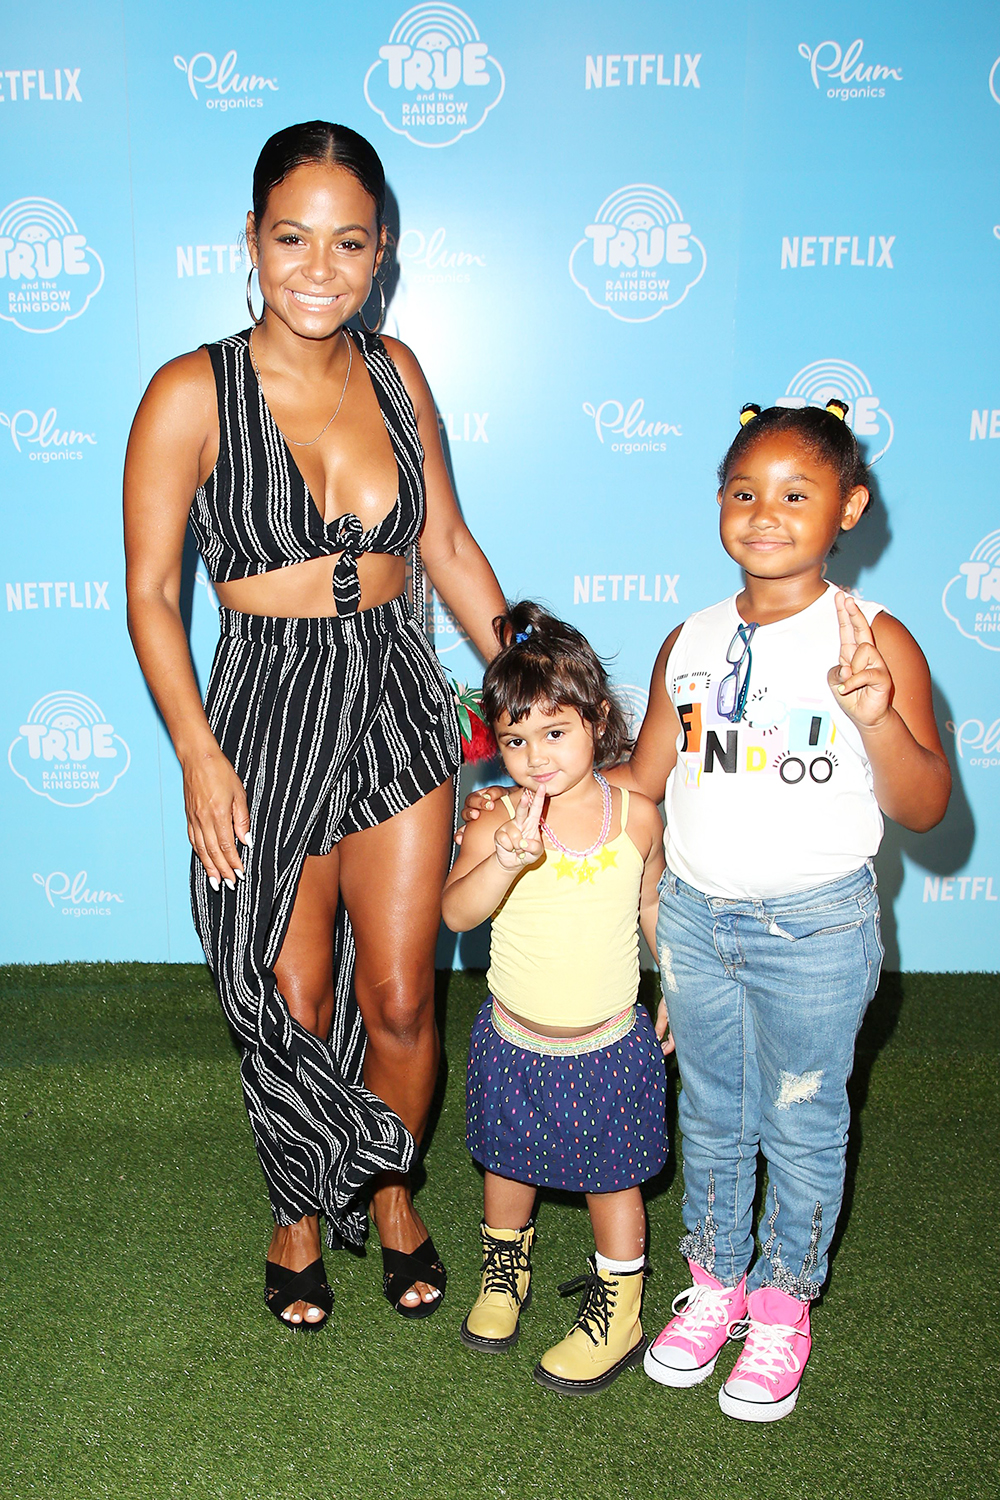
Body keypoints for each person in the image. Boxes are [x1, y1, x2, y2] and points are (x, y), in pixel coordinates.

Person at [461, 401, 950, 1418]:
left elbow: (923, 803)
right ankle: (715, 1284)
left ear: (848, 507)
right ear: (719, 505)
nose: (763, 514)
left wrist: (877, 716)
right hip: (693, 920)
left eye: (794, 493)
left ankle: (781, 1304)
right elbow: (639, 779)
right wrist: (535, 786)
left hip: (813, 927)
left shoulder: (870, 639)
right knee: (713, 1116)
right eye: (742, 492)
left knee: (801, 1119)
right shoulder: (689, 641)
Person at [124, 120, 506, 1332]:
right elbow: (148, 595)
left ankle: (388, 1190)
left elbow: (441, 543)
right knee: (285, 995)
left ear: (380, 251)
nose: (320, 266)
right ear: (252, 240)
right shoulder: (192, 390)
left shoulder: (396, 372)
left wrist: (527, 688)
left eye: (349, 242)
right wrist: (197, 751)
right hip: (263, 705)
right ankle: (299, 1203)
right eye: (293, 237)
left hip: (396, 685)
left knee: (399, 996)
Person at [442, 603, 668, 1394]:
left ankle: (621, 1305)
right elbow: (457, 913)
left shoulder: (636, 814)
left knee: (615, 1181)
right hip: (514, 1039)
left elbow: (651, 908)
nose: (534, 757)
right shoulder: (497, 814)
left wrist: (672, 978)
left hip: (608, 1042)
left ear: (596, 720)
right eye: (514, 739)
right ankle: (505, 1271)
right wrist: (502, 859)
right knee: (507, 1164)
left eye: (555, 733)